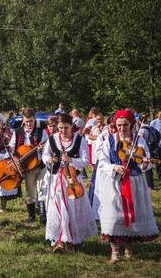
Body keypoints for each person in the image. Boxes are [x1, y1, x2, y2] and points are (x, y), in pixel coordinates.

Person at [96, 109, 158, 263]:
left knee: (133, 215)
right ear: (115, 125)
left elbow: (146, 162)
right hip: (115, 182)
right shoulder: (109, 140)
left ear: (131, 125)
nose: (122, 128)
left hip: (134, 182)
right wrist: (114, 167)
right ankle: (115, 252)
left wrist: (145, 163)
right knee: (114, 215)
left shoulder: (139, 140)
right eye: (119, 125)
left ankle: (129, 250)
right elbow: (102, 162)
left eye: (125, 125)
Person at [42, 113, 97, 252]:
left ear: (71, 126)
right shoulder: (52, 139)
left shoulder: (79, 139)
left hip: (73, 181)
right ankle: (59, 239)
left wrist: (71, 161)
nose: (62, 131)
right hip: (56, 179)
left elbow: (85, 160)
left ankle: (73, 239)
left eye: (65, 128)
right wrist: (50, 160)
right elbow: (45, 154)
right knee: (57, 208)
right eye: (60, 128)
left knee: (73, 208)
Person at [8, 108, 48, 224]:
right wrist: (10, 149)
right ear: (23, 120)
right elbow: (12, 146)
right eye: (27, 121)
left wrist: (42, 148)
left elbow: (48, 146)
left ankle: (43, 216)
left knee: (42, 189)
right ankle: (31, 216)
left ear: (34, 119)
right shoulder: (17, 132)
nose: (29, 124)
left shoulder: (41, 131)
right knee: (30, 191)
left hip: (41, 165)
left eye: (31, 121)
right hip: (27, 166)